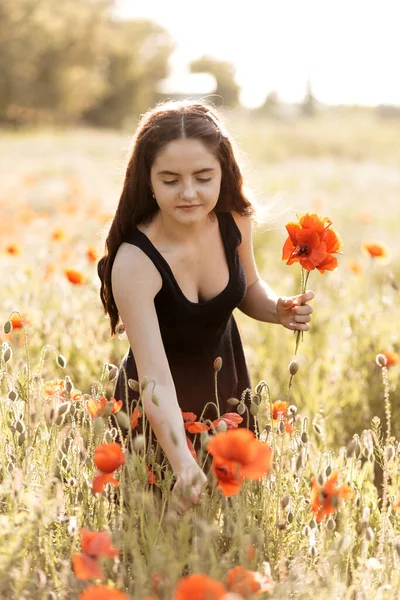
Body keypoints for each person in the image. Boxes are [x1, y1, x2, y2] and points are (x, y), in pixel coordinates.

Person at [97, 100, 314, 516]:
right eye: (171, 179)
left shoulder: (234, 222)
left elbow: (248, 286)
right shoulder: (135, 262)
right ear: (149, 181)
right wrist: (182, 462)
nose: (190, 192)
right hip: (157, 417)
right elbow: (154, 378)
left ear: (223, 172)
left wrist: (278, 308)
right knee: (158, 539)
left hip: (227, 396)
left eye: (203, 177)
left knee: (233, 532)